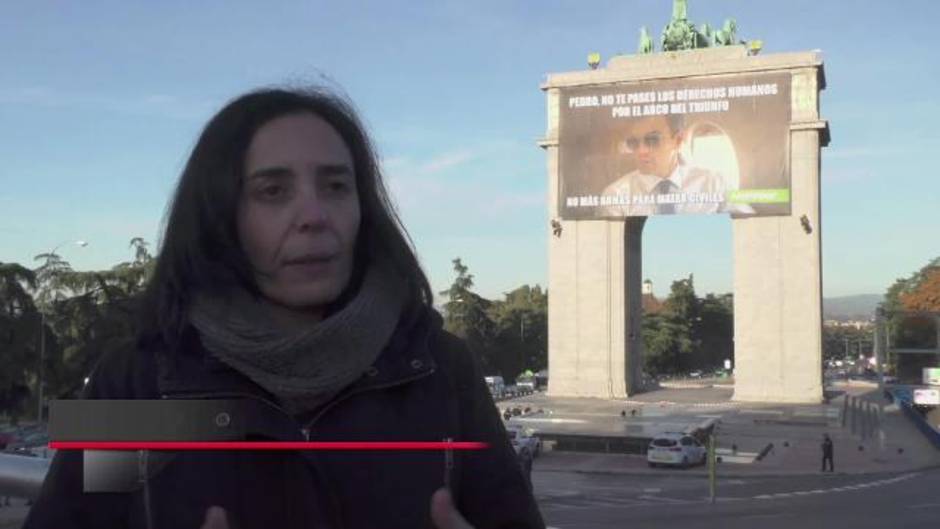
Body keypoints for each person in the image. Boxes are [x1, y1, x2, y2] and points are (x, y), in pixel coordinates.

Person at [23, 87, 544, 529]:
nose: (315, 215)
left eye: (337, 186)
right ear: (220, 215)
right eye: (273, 191)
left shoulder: (439, 367)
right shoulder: (135, 383)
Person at [599, 114, 747, 217]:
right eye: (634, 143)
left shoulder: (714, 183)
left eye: (652, 140)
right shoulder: (615, 195)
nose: (641, 151)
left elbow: (749, 228)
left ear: (678, 140)